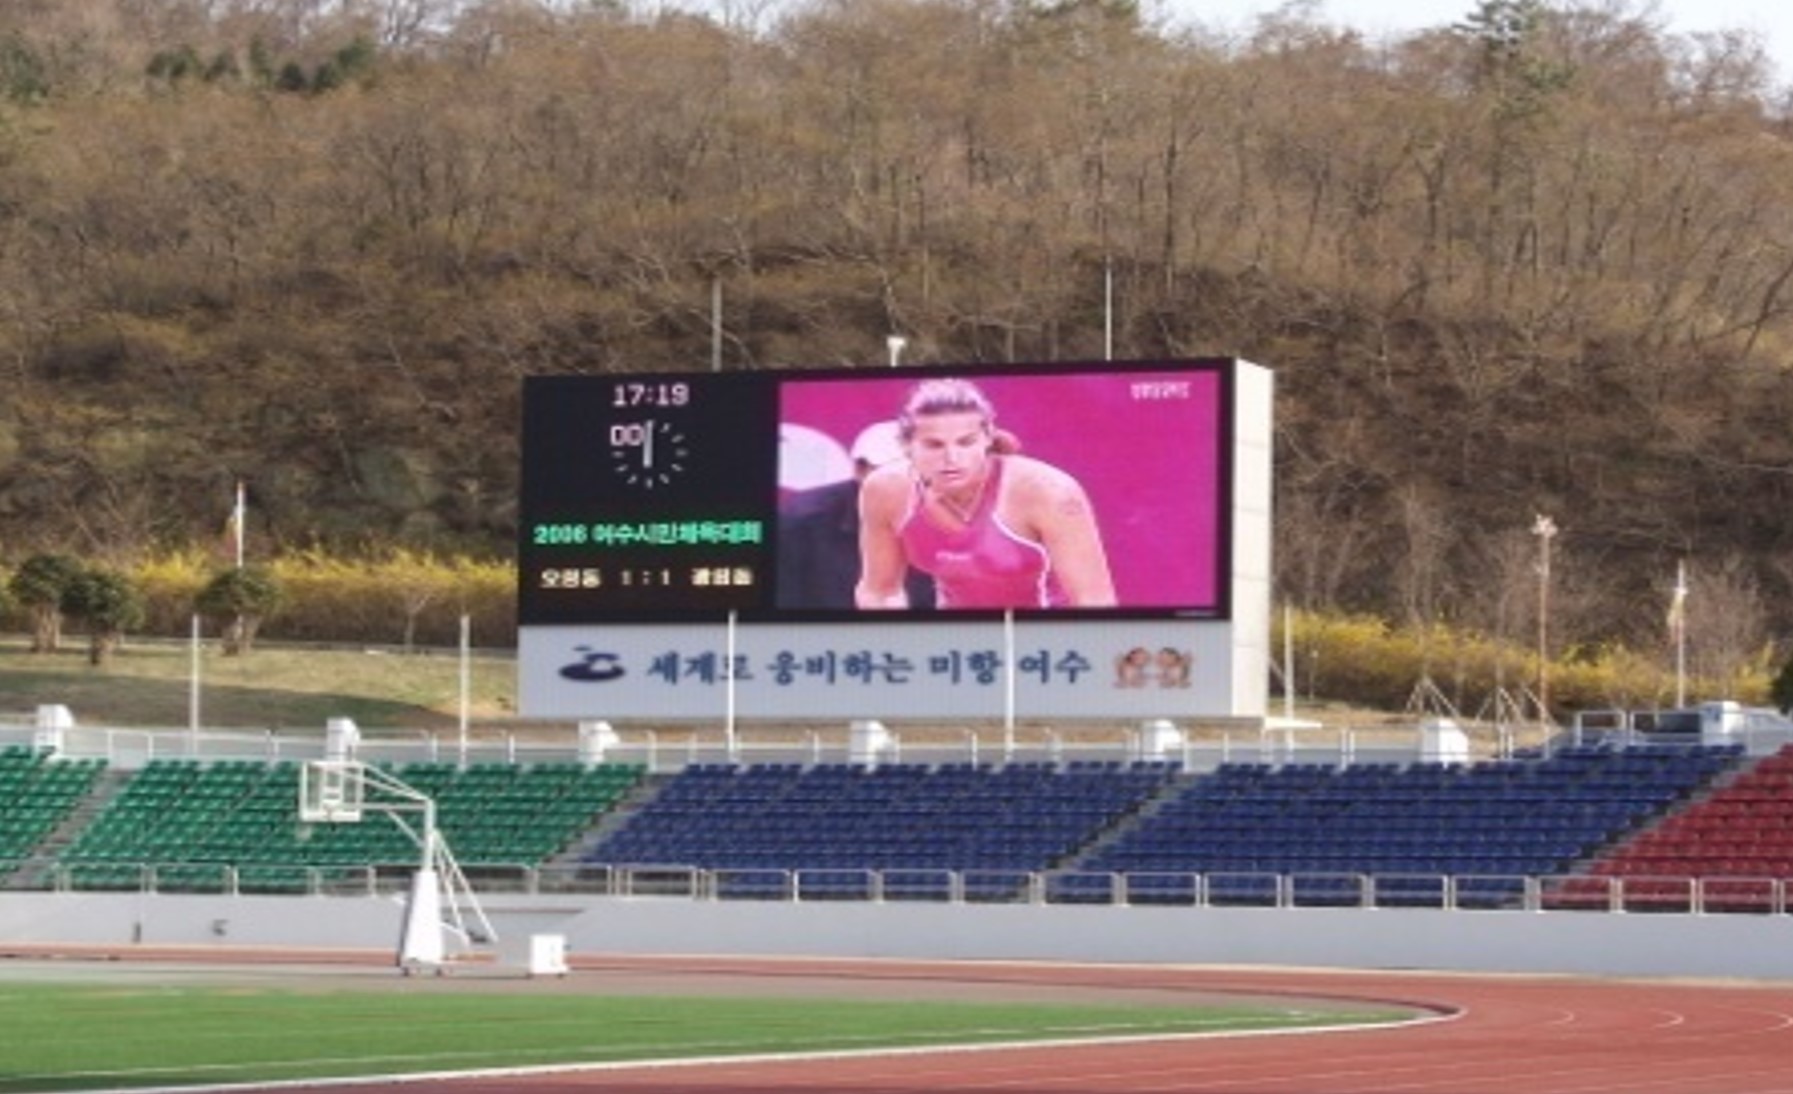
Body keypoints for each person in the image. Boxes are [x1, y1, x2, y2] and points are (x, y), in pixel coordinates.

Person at [855, 377, 1116, 610]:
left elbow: (1094, 601)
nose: (951, 458)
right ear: (906, 445)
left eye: (966, 442)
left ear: (988, 437)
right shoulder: (885, 490)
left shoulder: (1049, 492)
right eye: (934, 445)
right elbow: (879, 593)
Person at [777, 421, 935, 609]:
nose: (909, 483)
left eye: (919, 473)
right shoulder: (801, 522)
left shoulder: (955, 519)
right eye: (893, 473)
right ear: (860, 470)